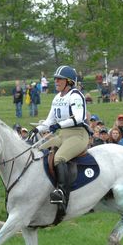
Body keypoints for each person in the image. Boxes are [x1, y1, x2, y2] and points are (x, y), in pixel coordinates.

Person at [32, 65, 90, 209]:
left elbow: (79, 118)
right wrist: (36, 129)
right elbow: (49, 121)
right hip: (62, 135)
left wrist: (59, 125)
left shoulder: (75, 95)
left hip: (78, 135)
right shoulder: (57, 97)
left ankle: (62, 194)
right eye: (56, 79)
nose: (56, 81)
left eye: (59, 79)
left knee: (59, 158)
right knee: (38, 152)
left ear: (69, 82)